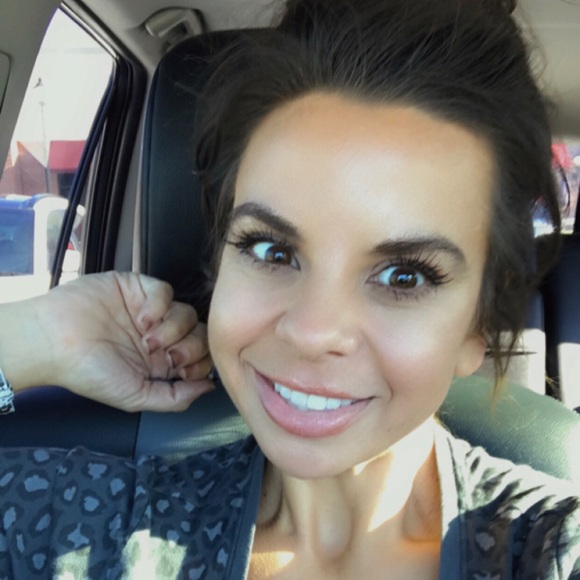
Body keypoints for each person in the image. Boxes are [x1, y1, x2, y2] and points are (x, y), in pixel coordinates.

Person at [1, 0, 579, 577]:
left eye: (404, 277)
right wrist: (39, 337)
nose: (310, 332)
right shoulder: (98, 527)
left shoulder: (551, 550)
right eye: (271, 251)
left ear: (479, 323)